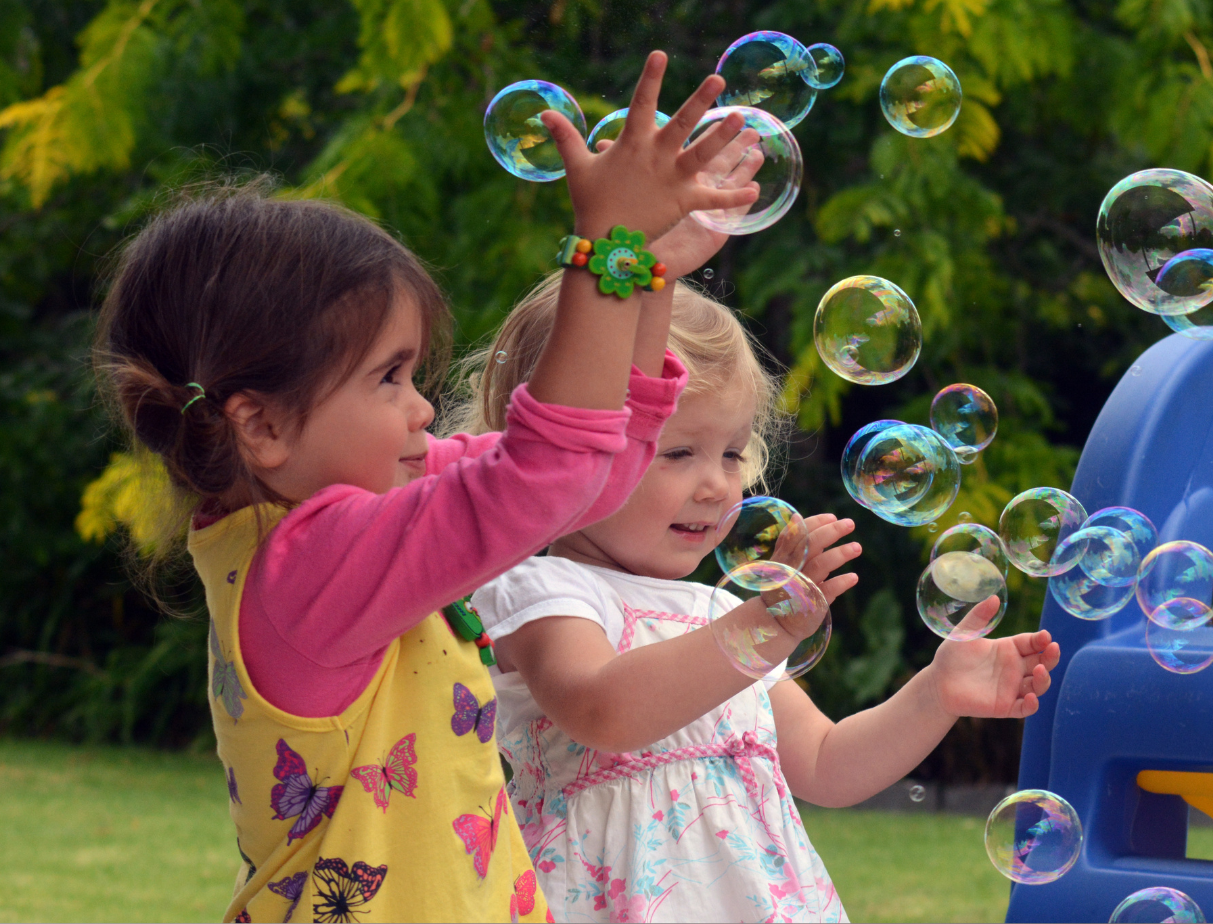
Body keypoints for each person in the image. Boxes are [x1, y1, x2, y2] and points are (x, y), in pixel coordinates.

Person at [93, 52, 755, 923]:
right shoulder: (308, 563)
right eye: (389, 378)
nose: (418, 410)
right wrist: (606, 252)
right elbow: (545, 474)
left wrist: (646, 280)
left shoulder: (354, 526)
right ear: (263, 426)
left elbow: (591, 484)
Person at [460, 276, 1063, 923]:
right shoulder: (539, 591)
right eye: (680, 452)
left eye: (732, 453)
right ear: (561, 449)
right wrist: (759, 627)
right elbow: (604, 710)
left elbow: (827, 764)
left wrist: (933, 693)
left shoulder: (719, 612)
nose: (717, 484)